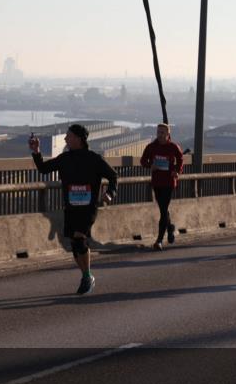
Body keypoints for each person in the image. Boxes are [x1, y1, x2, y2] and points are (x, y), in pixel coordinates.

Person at [29, 124, 118, 295]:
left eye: (68, 136)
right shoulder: (65, 158)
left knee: (79, 237)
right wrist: (36, 150)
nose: (65, 139)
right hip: (70, 207)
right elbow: (43, 169)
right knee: (75, 244)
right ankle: (87, 275)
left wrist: (110, 192)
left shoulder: (94, 159)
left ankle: (86, 277)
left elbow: (113, 175)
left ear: (78, 139)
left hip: (88, 207)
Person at [139, 123, 183, 250]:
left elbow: (180, 159)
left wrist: (177, 171)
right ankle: (170, 228)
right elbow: (143, 160)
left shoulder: (173, 147)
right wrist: (150, 166)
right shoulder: (151, 147)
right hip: (157, 182)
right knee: (163, 208)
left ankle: (158, 241)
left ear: (168, 134)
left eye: (162, 132)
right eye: (158, 132)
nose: (160, 135)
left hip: (169, 182)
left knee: (164, 210)